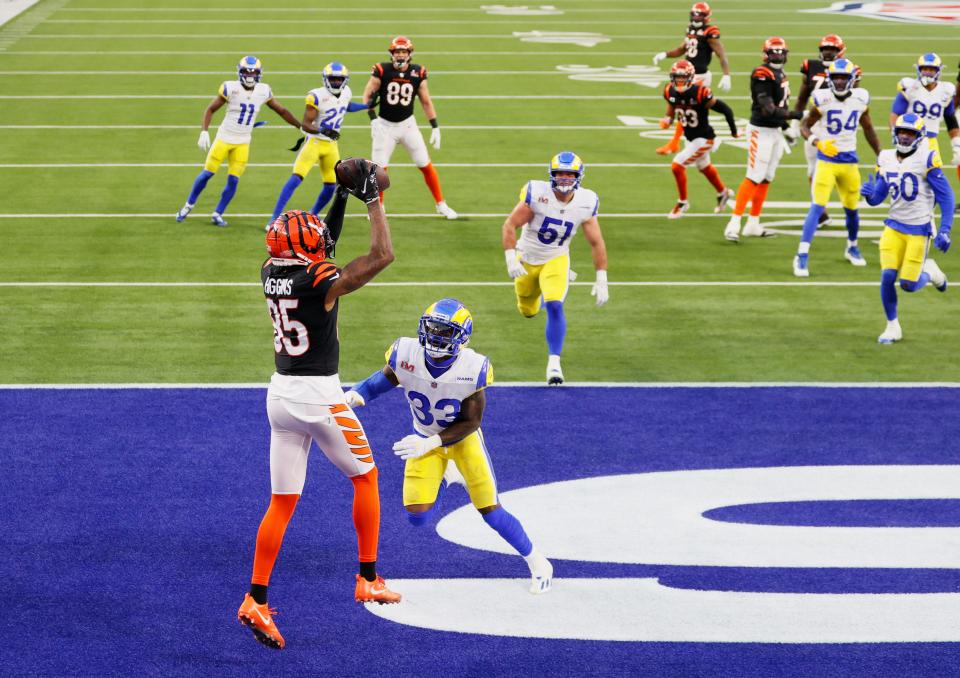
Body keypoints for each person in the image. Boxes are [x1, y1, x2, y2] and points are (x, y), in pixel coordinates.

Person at [237, 160, 400, 651]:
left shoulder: (271, 269)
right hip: (318, 397)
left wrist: (341, 198)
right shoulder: (320, 280)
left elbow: (319, 243)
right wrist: (372, 198)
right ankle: (367, 576)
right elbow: (382, 255)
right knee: (366, 477)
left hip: (280, 396)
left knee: (282, 503)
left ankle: (256, 599)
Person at [344, 298, 553, 594]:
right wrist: (357, 394)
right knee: (417, 516)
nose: (435, 337)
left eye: (444, 332)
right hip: (423, 438)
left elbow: (471, 422)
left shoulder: (473, 368)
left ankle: (538, 563)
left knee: (491, 511)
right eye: (432, 329)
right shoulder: (407, 354)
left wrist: (429, 442)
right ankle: (447, 476)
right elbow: (385, 379)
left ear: (461, 338)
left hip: (461, 442)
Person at [501, 152, 609, 385]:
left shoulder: (586, 201)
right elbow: (510, 224)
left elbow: (596, 241)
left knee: (555, 305)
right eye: (560, 173)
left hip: (557, 258)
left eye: (569, 174)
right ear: (551, 175)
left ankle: (554, 364)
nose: (564, 178)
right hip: (527, 259)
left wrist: (602, 278)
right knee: (527, 310)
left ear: (578, 176)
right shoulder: (537, 194)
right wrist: (511, 257)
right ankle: (536, 296)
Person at [176, 56, 314, 227]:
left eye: (253, 72)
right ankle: (188, 205)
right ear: (239, 72)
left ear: (259, 73)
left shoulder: (263, 91)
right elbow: (210, 109)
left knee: (233, 180)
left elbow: (282, 110)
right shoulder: (230, 88)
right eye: (246, 72)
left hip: (243, 142)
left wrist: (300, 126)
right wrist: (204, 131)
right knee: (207, 174)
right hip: (224, 138)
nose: (250, 75)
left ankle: (218, 213)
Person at [860, 114, 953, 344]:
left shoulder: (927, 158)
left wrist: (945, 229)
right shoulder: (886, 157)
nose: (903, 135)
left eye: (909, 133)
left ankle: (929, 271)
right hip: (893, 226)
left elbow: (947, 196)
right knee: (887, 275)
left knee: (908, 285)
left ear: (919, 136)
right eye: (901, 131)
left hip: (919, 229)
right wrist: (870, 196)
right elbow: (879, 197)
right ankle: (892, 326)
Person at [793, 59, 881, 277]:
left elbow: (868, 128)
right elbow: (804, 125)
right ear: (830, 79)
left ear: (852, 79)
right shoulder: (822, 99)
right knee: (817, 207)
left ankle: (852, 246)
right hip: (827, 161)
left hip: (850, 162)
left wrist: (881, 155)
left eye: (843, 77)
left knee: (852, 211)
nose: (840, 82)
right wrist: (816, 141)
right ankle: (801, 254)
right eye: (836, 77)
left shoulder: (861, 99)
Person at [361, 36, 458, 219]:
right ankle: (379, 207)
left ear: (409, 53)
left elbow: (426, 101)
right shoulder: (382, 70)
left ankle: (441, 204)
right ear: (392, 53)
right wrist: (373, 119)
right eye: (397, 51)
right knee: (379, 169)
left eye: (403, 51)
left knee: (424, 164)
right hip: (385, 126)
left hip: (408, 125)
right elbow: (367, 96)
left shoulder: (418, 72)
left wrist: (435, 126)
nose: (400, 55)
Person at [268, 62, 370, 226]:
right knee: (296, 178)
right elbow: (306, 123)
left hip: (331, 146)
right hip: (314, 143)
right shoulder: (316, 96)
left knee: (331, 186)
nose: (336, 82)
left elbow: (346, 106)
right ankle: (273, 219)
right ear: (326, 79)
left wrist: (366, 105)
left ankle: (311, 217)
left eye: (339, 79)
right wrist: (324, 130)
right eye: (333, 79)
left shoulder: (346, 92)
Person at [724, 37, 803, 242]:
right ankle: (733, 223)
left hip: (774, 131)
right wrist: (797, 116)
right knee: (754, 175)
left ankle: (753, 223)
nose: (778, 55)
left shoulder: (779, 73)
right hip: (761, 131)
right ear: (766, 54)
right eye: (773, 52)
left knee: (767, 177)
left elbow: (778, 107)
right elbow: (768, 109)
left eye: (780, 51)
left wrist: (784, 127)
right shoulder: (762, 73)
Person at [659, 59, 738, 219]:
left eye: (682, 78)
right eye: (676, 77)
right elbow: (671, 109)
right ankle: (723, 193)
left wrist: (734, 132)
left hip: (704, 139)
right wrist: (667, 120)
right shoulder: (670, 92)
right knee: (704, 166)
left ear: (690, 77)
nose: (679, 81)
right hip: (690, 138)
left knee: (677, 165)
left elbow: (726, 110)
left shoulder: (700, 93)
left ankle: (682, 202)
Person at [652, 2, 731, 155]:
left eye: (700, 14)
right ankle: (700, 138)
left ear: (707, 16)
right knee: (684, 105)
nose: (696, 17)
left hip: (700, 75)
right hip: (687, 73)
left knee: (687, 106)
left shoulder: (710, 32)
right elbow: (683, 48)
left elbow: (721, 54)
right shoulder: (691, 28)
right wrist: (665, 54)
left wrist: (726, 75)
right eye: (695, 14)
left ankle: (675, 140)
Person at [791, 34, 851, 229]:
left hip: (837, 124)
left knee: (842, 169)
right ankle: (820, 211)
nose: (827, 52)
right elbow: (802, 96)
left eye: (832, 50)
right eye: (825, 49)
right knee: (813, 168)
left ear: (840, 51)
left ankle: (847, 209)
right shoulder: (811, 66)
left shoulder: (849, 70)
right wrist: (795, 121)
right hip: (815, 121)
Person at [889, 53, 958, 166]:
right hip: (910, 138)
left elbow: (951, 121)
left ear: (938, 71)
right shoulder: (910, 87)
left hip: (931, 141)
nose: (927, 72)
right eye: (925, 69)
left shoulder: (946, 90)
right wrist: (894, 133)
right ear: (918, 69)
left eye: (931, 69)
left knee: (933, 175)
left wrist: (956, 145)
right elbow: (895, 114)